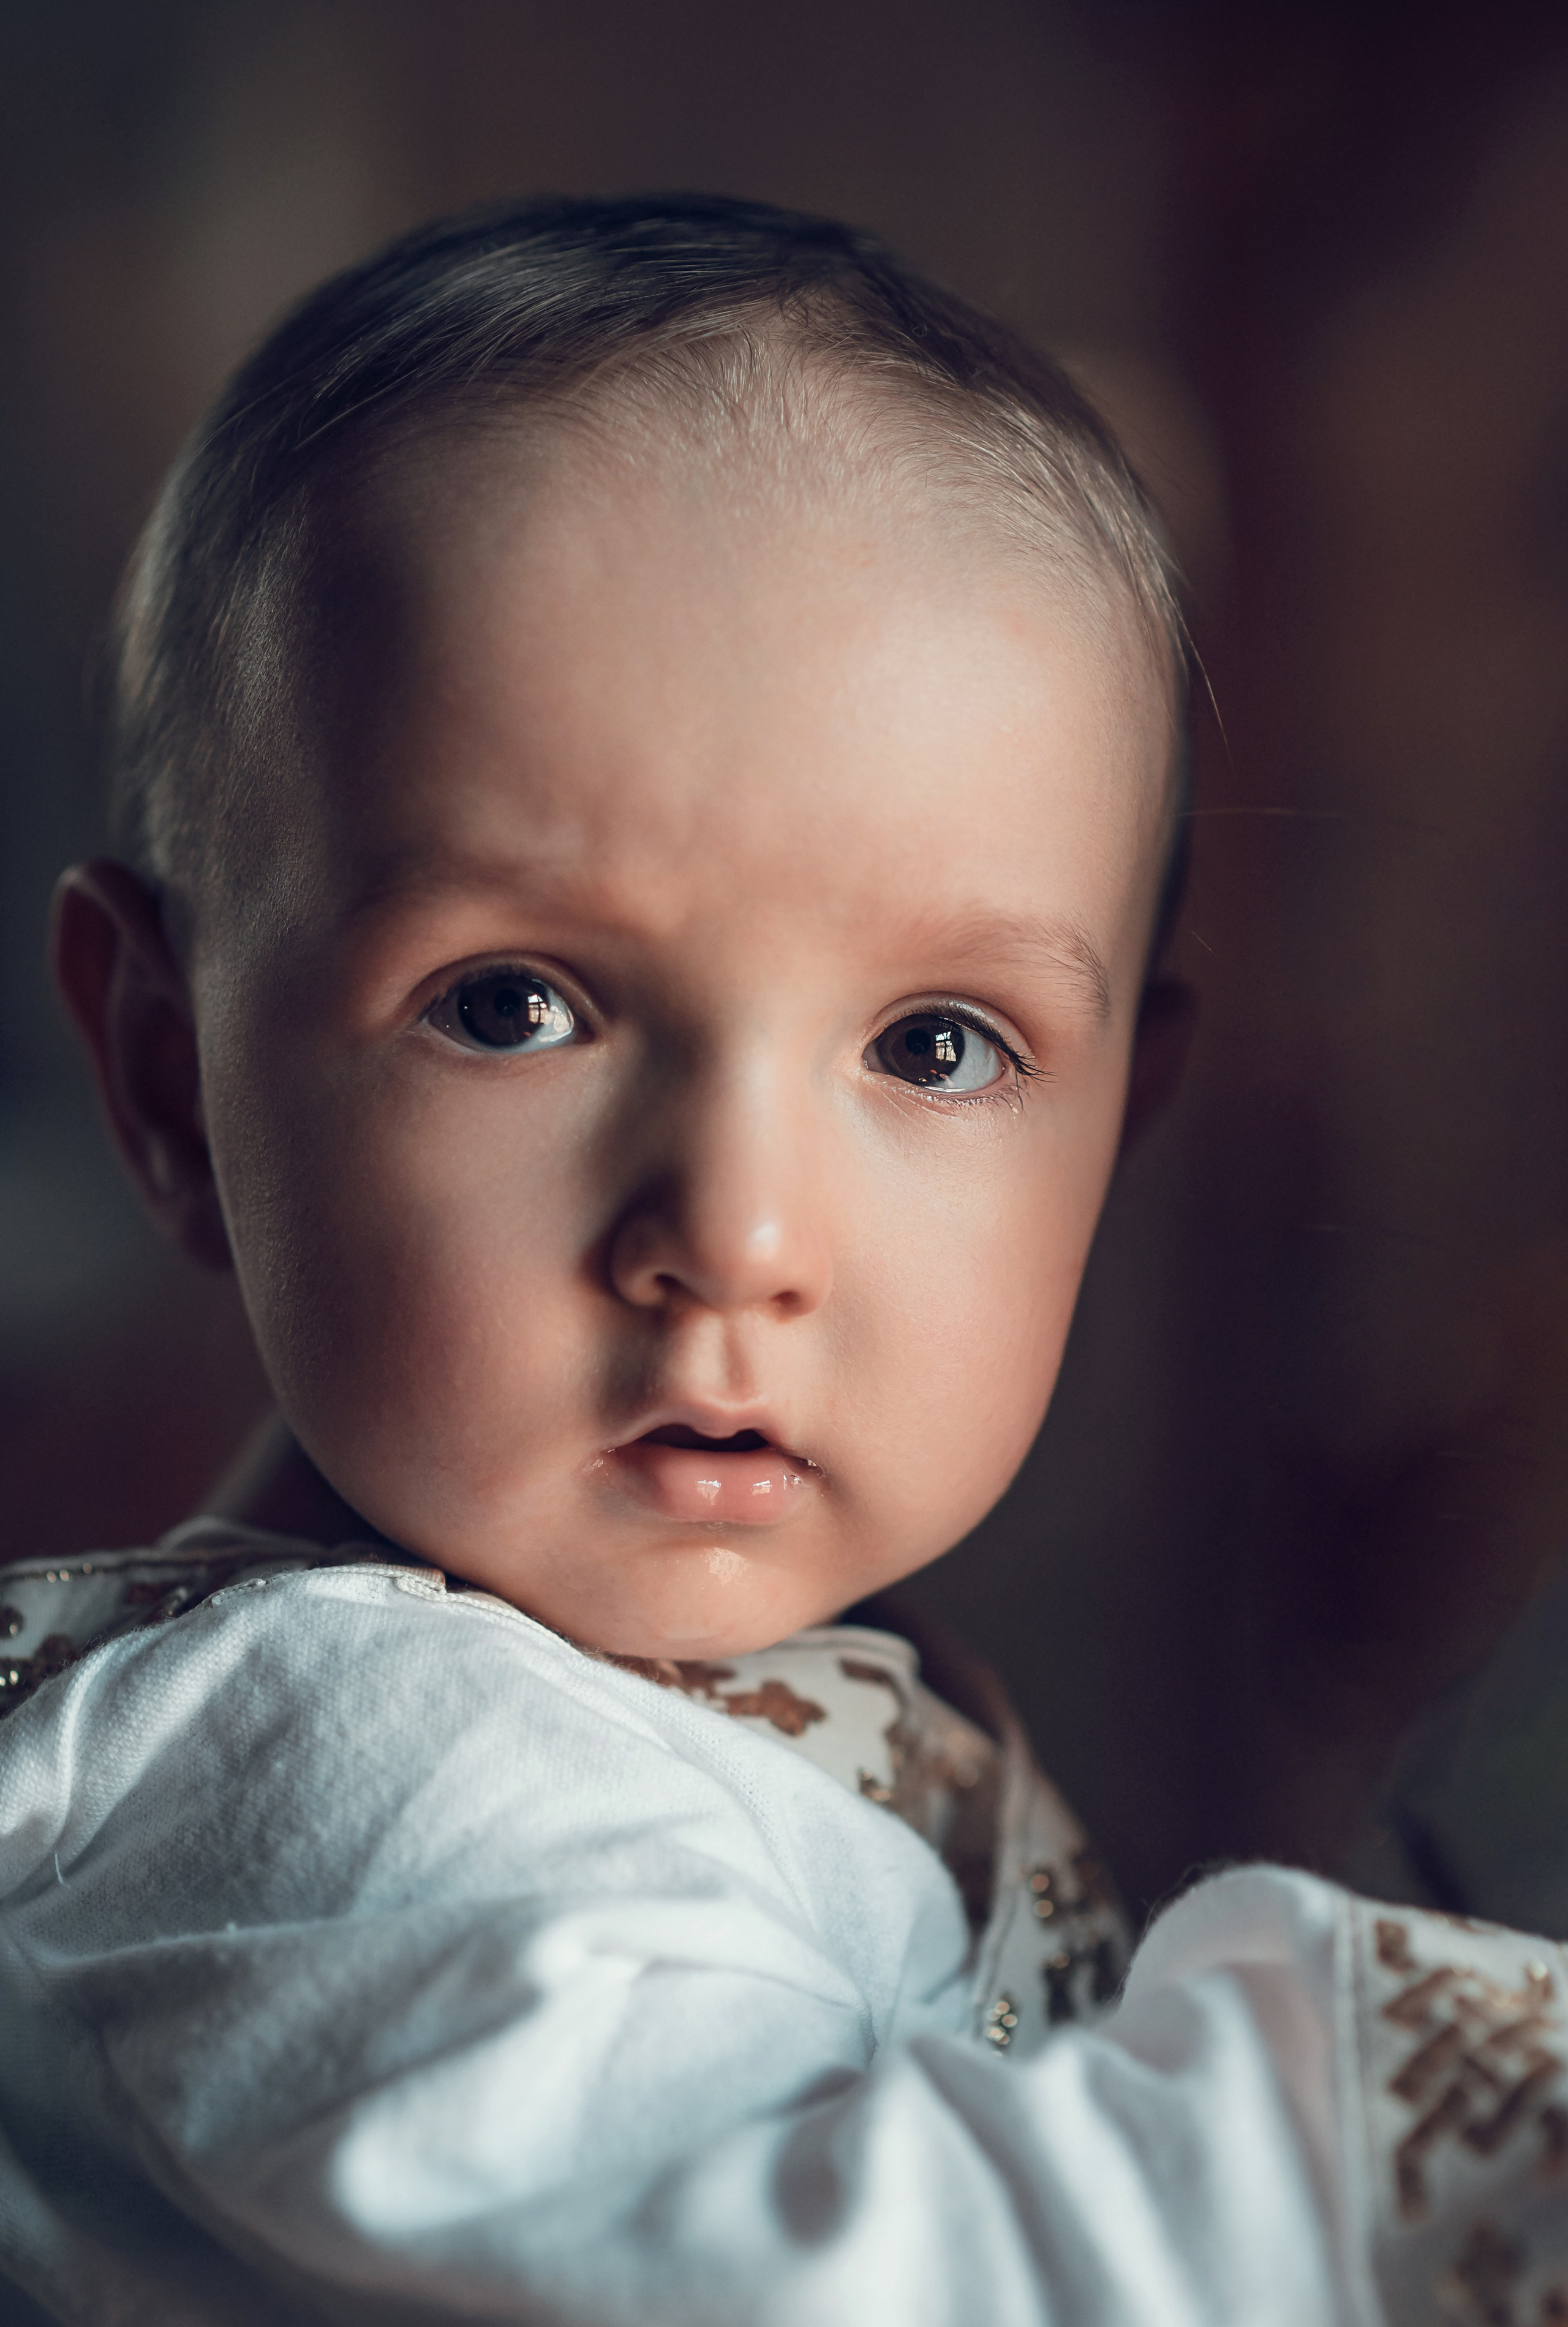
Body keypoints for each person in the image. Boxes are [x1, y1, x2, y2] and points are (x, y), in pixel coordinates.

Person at [0, 194, 1562, 2325]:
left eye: (936, 1046)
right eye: (514, 1005)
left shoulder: (686, 1702)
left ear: (1119, 1122)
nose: (731, 1237)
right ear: (175, 1085)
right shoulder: (333, 1777)